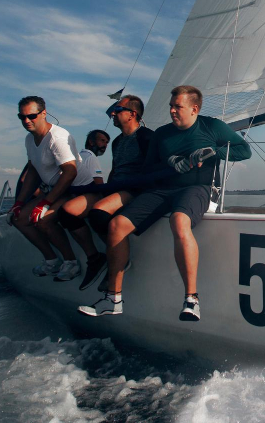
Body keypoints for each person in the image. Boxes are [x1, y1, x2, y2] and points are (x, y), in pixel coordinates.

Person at [78, 85, 251, 320]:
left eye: (177, 106)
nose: (171, 111)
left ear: (194, 109)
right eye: (171, 106)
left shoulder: (212, 126)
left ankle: (191, 300)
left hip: (198, 187)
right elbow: (148, 168)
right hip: (163, 190)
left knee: (179, 221)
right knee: (117, 225)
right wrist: (171, 161)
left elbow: (244, 151)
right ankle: (113, 299)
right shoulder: (161, 134)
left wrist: (212, 151)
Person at [57, 95, 153, 290]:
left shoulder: (147, 137)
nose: (112, 114)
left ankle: (118, 259)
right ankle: (95, 257)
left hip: (134, 189)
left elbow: (151, 169)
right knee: (67, 212)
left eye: (117, 110)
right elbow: (116, 169)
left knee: (98, 214)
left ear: (132, 114)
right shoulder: (117, 142)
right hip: (115, 188)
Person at [9, 96, 86, 281]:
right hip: (54, 190)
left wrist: (45, 203)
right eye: (22, 117)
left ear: (44, 113)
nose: (26, 121)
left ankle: (71, 263)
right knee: (18, 219)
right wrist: (19, 202)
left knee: (42, 220)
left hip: (74, 189)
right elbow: (33, 171)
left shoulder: (57, 138)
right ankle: (52, 260)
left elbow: (70, 172)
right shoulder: (30, 139)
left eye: (31, 116)